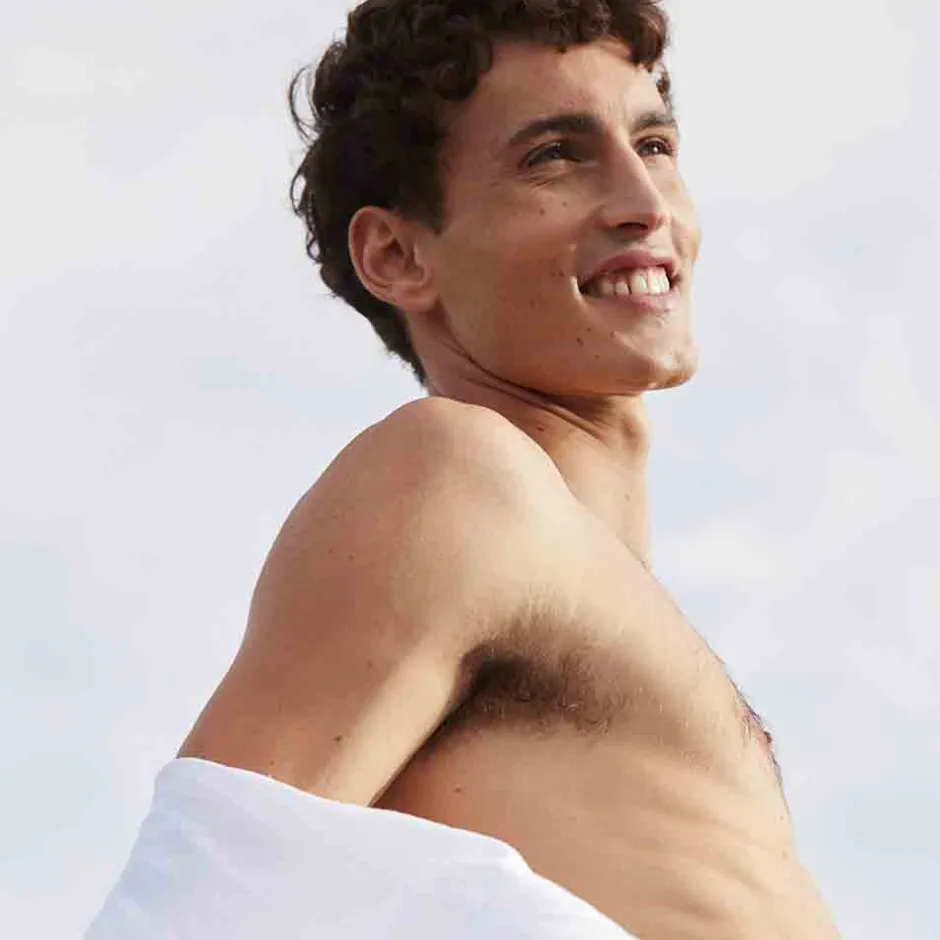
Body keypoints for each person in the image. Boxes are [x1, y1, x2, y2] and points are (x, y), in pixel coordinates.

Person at [87, 1, 843, 938]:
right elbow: (194, 910)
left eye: (653, 145)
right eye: (554, 156)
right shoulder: (451, 476)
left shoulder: (593, 586)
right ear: (398, 255)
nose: (644, 202)